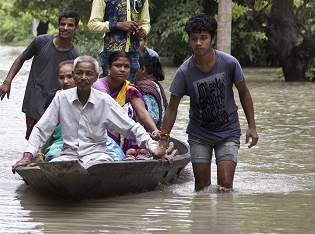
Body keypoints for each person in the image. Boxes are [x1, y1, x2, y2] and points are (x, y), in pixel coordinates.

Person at [12, 56, 165, 171]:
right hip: (69, 156)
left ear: (96, 78)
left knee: (104, 167)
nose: (83, 77)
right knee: (53, 167)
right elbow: (41, 128)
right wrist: (28, 154)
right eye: (79, 73)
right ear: (73, 75)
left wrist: (153, 147)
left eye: (88, 74)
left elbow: (131, 127)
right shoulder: (61, 98)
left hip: (97, 157)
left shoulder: (104, 100)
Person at [160, 14, 259, 191]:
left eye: (203, 38)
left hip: (228, 130)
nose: (198, 43)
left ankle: (224, 216)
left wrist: (252, 126)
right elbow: (172, 109)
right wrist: (163, 141)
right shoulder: (184, 72)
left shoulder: (229, 63)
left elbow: (244, 93)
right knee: (202, 187)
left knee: (226, 184)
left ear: (212, 39)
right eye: (194, 39)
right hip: (200, 134)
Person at [0, 10, 81, 140]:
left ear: (76, 28)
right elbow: (21, 59)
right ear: (58, 26)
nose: (65, 28)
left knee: (52, 141)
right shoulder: (41, 41)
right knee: (33, 140)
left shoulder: (76, 57)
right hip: (34, 99)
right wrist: (7, 82)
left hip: (56, 103)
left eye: (70, 25)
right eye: (62, 24)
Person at [88, 0, 150, 82]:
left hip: (133, 53)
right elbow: (92, 25)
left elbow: (145, 22)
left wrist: (142, 31)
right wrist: (118, 25)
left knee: (129, 91)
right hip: (110, 53)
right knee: (109, 92)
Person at [92, 51, 161, 160]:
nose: (122, 70)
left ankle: (131, 148)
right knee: (123, 110)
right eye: (118, 66)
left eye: (126, 66)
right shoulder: (99, 86)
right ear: (109, 68)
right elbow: (110, 111)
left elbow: (142, 112)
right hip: (100, 130)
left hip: (124, 130)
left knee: (130, 108)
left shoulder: (129, 88)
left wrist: (155, 131)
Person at [134, 52, 168, 131]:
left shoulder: (144, 87)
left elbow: (153, 117)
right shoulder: (155, 84)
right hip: (159, 130)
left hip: (150, 135)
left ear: (142, 69)